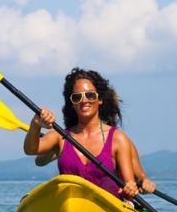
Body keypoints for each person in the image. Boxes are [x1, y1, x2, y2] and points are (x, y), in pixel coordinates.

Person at [24, 67, 146, 200]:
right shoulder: (60, 137)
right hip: (70, 207)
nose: (84, 100)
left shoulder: (118, 138)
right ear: (72, 104)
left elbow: (129, 186)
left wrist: (131, 188)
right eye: (77, 97)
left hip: (108, 210)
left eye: (90, 95)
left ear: (99, 100)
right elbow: (31, 149)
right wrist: (36, 123)